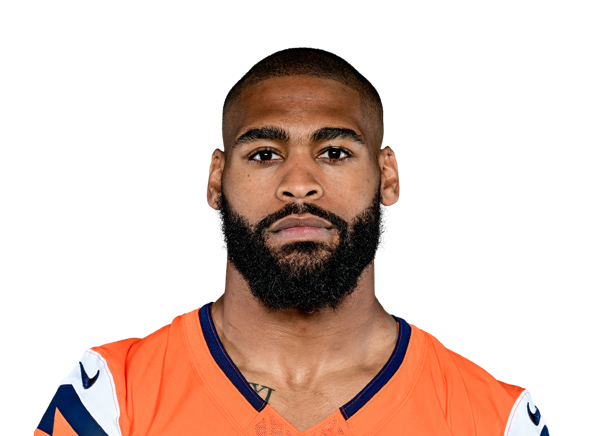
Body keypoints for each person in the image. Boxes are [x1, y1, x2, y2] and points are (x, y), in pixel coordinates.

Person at [34, 47, 549, 436]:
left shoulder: (497, 419)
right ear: (215, 179)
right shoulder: (114, 396)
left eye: (334, 152)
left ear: (388, 176)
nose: (299, 184)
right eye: (264, 154)